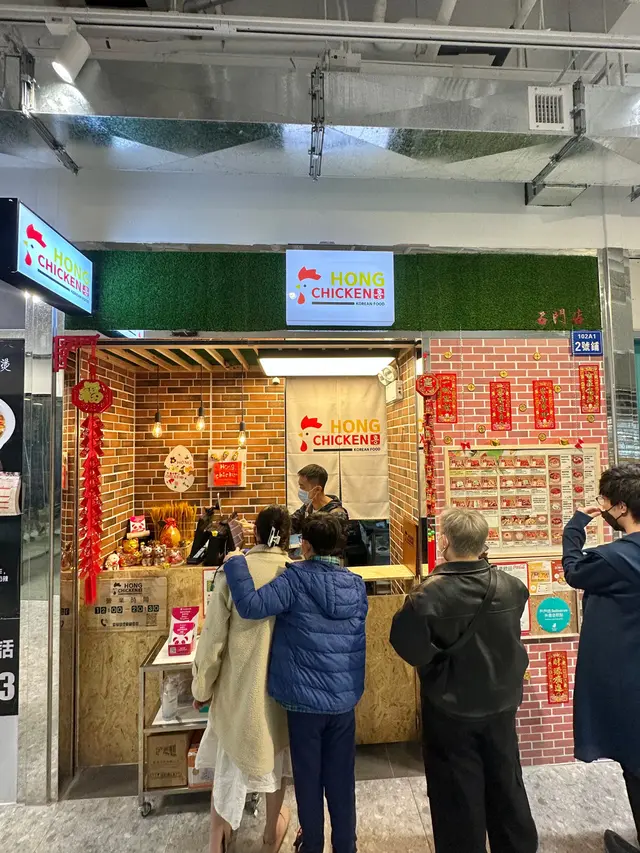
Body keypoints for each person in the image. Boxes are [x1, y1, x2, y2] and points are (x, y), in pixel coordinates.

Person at [390, 507, 537, 853]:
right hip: (502, 705)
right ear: (484, 542)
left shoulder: (426, 596)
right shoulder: (512, 587)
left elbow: (407, 645)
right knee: (506, 784)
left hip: (450, 709)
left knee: (456, 794)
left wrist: (436, 665)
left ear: (445, 541)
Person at [223, 513, 368, 853]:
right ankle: (345, 845)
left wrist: (236, 562)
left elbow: (251, 606)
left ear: (305, 546)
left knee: (308, 778)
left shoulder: (294, 580)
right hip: (343, 700)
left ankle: (312, 844)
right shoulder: (356, 585)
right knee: (341, 778)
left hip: (303, 703)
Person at [192, 505, 292, 853]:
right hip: (279, 693)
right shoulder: (294, 573)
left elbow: (213, 640)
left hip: (237, 693)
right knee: (275, 765)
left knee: (227, 765)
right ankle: (270, 834)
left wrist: (201, 687)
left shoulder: (234, 571)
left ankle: (217, 838)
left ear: (256, 534)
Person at [562, 464, 640, 853]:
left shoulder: (615, 559)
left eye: (605, 501)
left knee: (635, 764)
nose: (603, 507)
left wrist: (576, 525)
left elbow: (574, 570)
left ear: (621, 507)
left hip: (628, 678)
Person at [291, 464, 348, 534]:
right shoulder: (308, 507)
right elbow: (291, 523)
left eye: (302, 487)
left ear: (317, 489)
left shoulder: (336, 515)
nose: (300, 490)